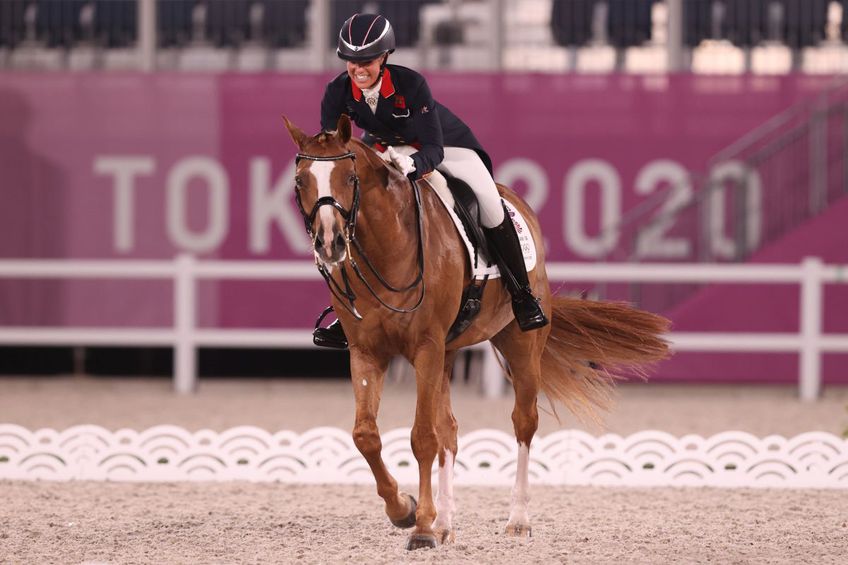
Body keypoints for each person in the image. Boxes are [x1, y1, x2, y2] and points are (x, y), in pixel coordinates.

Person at [313, 13, 548, 349]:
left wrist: (412, 164)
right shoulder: (336, 92)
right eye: (351, 61)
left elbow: (434, 148)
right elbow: (333, 146)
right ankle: (351, 307)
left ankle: (523, 295)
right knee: (352, 210)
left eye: (366, 60)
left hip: (446, 147)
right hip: (383, 148)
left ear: (384, 57)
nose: (358, 68)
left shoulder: (411, 85)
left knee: (488, 202)